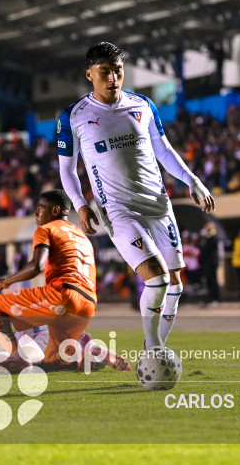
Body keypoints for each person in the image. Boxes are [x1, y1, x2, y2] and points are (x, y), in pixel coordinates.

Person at [57, 42, 215, 351]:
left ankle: (153, 348)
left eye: (118, 71)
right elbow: (67, 169)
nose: (113, 79)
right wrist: (80, 205)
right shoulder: (73, 117)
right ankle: (153, 349)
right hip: (117, 209)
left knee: (175, 284)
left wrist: (192, 180)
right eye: (105, 73)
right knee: (156, 279)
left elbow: (163, 150)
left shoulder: (142, 105)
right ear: (90, 74)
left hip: (157, 204)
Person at [0, 189, 129, 374]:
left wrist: (8, 281)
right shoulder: (81, 236)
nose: (36, 213)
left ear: (55, 210)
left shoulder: (46, 229)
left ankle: (15, 356)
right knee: (55, 362)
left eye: (40, 208)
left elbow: (37, 265)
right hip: (89, 304)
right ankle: (92, 350)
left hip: (64, 295)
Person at [199, 223, 221, 304]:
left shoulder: (213, 237)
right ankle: (210, 297)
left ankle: (216, 298)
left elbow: (209, 246)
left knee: (213, 280)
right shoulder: (205, 238)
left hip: (212, 262)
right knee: (208, 281)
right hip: (207, 263)